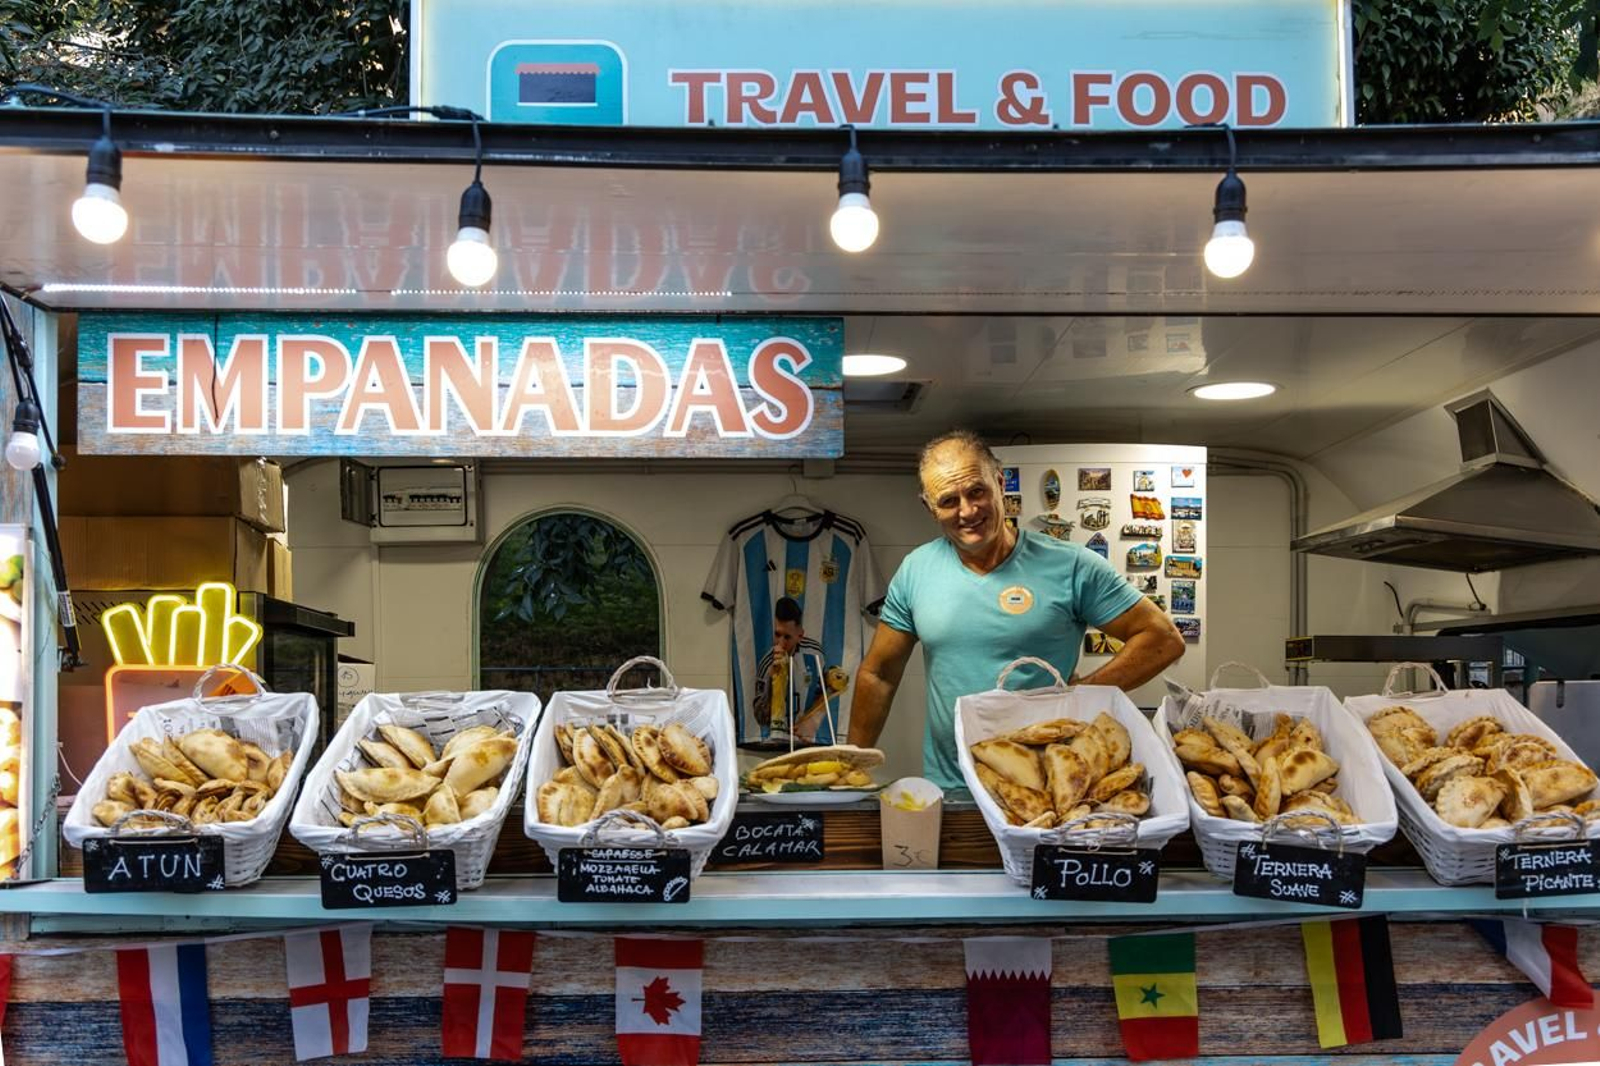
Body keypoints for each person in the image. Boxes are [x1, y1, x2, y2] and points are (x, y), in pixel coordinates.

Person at [848, 430, 1186, 790]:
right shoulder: (916, 570)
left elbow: (1162, 640)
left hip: (1051, 788)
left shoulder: (1070, 565)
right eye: (948, 501)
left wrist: (1080, 696)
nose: (967, 511)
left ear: (999, 482)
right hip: (951, 787)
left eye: (976, 491)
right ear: (930, 508)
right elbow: (879, 674)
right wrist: (850, 767)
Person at [751, 596, 826, 745]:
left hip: (810, 742)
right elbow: (760, 719)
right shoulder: (767, 663)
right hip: (776, 744)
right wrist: (771, 685)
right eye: (777, 635)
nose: (781, 643)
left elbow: (827, 692)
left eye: (787, 637)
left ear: (800, 636)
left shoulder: (815, 654)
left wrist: (813, 721)